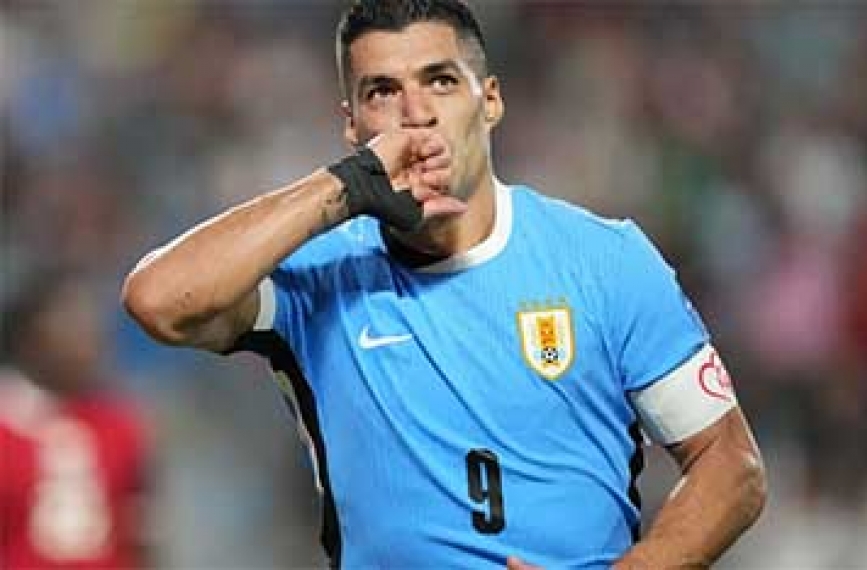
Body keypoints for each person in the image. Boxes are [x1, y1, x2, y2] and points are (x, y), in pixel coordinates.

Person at [122, 1, 766, 568]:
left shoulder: (605, 260)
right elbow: (158, 301)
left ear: (490, 100)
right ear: (353, 126)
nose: (416, 115)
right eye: (382, 92)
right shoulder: (317, 275)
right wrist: (345, 186)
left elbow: (729, 465)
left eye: (440, 81)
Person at [1, 270, 153, 569]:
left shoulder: (119, 425)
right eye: (71, 321)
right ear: (28, 334)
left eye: (91, 323)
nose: (87, 337)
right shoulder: (6, 423)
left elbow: (140, 533)